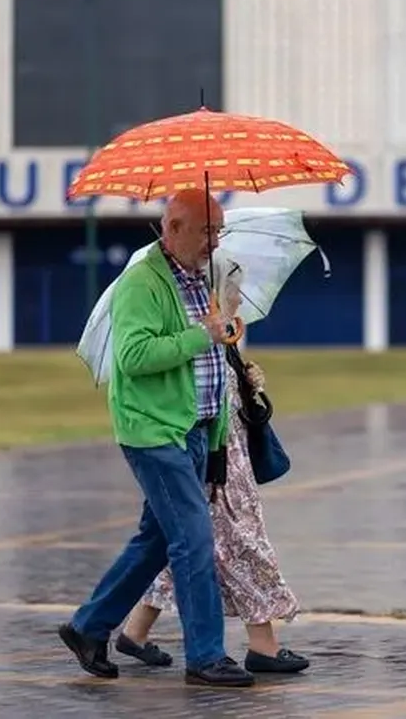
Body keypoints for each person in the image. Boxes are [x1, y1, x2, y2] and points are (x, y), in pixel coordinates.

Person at [57, 188, 255, 688]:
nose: (216, 241)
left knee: (156, 541)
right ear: (173, 228)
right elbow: (135, 357)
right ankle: (207, 656)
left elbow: (210, 362)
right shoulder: (141, 283)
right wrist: (202, 335)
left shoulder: (198, 277)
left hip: (193, 429)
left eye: (219, 230)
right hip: (153, 431)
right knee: (192, 540)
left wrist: (214, 442)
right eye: (208, 231)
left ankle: (87, 627)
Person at [115, 262, 309, 675]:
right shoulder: (195, 324)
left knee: (185, 544)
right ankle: (263, 644)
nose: (240, 297)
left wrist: (244, 374)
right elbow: (188, 381)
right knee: (241, 540)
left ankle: (135, 631)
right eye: (234, 289)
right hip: (213, 453)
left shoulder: (222, 328)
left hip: (219, 446)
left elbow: (218, 379)